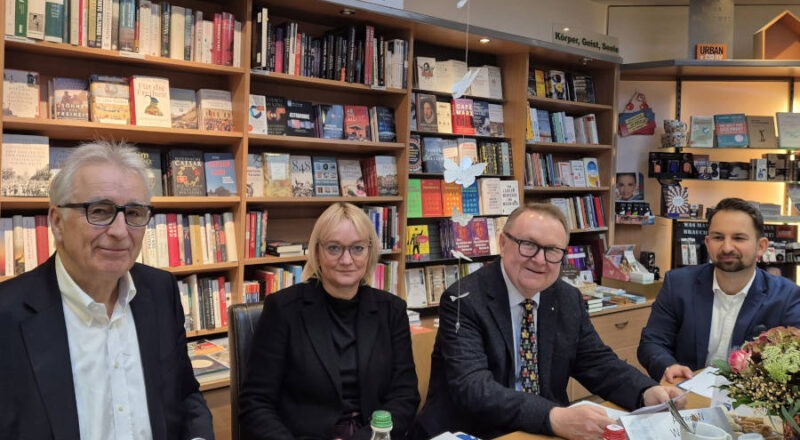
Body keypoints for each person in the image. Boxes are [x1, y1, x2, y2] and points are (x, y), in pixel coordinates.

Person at [411, 203, 683, 440]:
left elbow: (598, 363)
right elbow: (474, 389)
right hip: (475, 430)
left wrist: (646, 392)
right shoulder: (463, 299)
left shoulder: (567, 298)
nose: (540, 260)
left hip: (541, 429)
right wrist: (554, 417)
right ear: (503, 243)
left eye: (552, 250)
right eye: (528, 245)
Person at [0, 141, 214, 439]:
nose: (120, 231)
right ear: (57, 222)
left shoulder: (161, 290)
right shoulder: (7, 314)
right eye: (100, 211)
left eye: (135, 213)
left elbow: (185, 393)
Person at [239, 202, 419, 440]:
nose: (346, 260)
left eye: (357, 248)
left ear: (370, 252)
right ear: (317, 252)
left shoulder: (392, 311)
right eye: (334, 248)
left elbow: (405, 395)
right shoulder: (283, 310)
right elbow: (256, 403)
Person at [638, 197, 800, 384]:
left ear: (761, 246)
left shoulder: (787, 297)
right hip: (686, 395)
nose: (727, 247)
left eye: (738, 238)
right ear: (707, 243)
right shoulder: (678, 284)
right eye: (718, 237)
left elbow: (793, 360)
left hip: (752, 404)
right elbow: (652, 342)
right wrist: (667, 366)